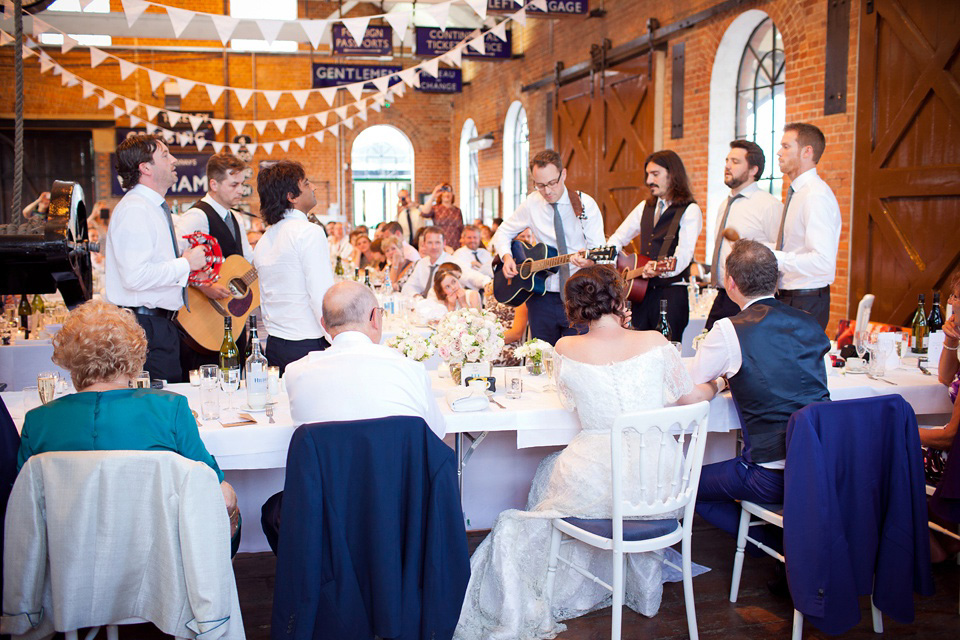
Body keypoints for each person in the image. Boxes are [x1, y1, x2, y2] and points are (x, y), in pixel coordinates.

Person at [455, 266, 719, 639]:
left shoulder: (566, 348)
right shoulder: (657, 343)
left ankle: (587, 570)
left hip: (600, 473)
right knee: (558, 470)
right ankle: (634, 579)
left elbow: (570, 401)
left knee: (549, 471)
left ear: (574, 307)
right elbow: (690, 397)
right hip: (660, 483)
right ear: (620, 299)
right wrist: (718, 383)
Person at [16, 300, 240, 553]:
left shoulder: (38, 421)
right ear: (134, 356)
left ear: (69, 359)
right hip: (155, 555)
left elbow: (23, 506)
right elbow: (218, 494)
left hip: (67, 556)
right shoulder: (170, 408)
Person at [689, 240, 831, 556]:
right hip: (825, 465)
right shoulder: (809, 321)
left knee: (687, 485)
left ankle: (779, 547)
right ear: (776, 282)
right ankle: (790, 544)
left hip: (771, 476)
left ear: (730, 283)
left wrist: (723, 380)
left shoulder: (729, 330)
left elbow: (693, 381)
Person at [104, 134, 208, 383]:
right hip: (145, 327)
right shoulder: (135, 209)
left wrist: (185, 266)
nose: (174, 160)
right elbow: (135, 277)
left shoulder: (151, 207)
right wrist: (185, 263)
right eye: (165, 155)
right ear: (145, 168)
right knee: (154, 405)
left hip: (158, 325)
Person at [284, 281, 446, 438]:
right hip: (395, 465)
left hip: (329, 466)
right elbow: (436, 431)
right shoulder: (410, 369)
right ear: (375, 317)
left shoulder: (295, 373)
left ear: (323, 325)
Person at [491, 149, 605, 345]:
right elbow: (503, 232)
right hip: (540, 296)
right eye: (540, 185)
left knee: (576, 357)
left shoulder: (585, 204)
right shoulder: (531, 203)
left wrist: (588, 261)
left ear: (564, 174)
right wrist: (507, 257)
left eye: (552, 183)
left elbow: (600, 252)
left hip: (578, 295)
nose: (548, 191)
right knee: (541, 357)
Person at [607, 150, 702, 340]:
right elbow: (618, 238)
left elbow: (683, 255)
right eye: (648, 174)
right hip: (641, 295)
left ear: (672, 174)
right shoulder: (645, 207)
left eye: (655, 174)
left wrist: (661, 270)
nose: (649, 180)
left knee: (667, 352)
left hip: (671, 294)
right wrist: (610, 264)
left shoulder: (690, 210)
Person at [175, 153, 254, 377]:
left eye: (243, 184)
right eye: (234, 184)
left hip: (232, 316)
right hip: (203, 322)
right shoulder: (196, 216)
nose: (241, 190)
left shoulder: (236, 218)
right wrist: (203, 286)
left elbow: (247, 261)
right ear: (214, 184)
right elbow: (175, 259)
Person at [252, 160, 334, 375]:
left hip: (275, 343)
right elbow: (320, 295)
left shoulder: (265, 238)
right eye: (306, 183)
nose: (313, 187)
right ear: (291, 195)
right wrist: (335, 338)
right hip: (308, 344)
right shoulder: (308, 232)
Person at [769, 122, 841, 329]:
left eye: (786, 146)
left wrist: (775, 258)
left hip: (805, 301)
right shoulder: (798, 193)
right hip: (788, 297)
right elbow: (795, 246)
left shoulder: (815, 195)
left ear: (806, 152)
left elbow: (823, 261)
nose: (779, 153)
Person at [705, 140, 782, 330]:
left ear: (753, 170)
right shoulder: (725, 204)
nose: (727, 166)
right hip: (723, 294)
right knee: (705, 343)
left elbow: (779, 253)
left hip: (751, 299)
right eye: (727, 160)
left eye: (735, 162)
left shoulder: (768, 205)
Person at [402, 227, 489, 297]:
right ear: (423, 244)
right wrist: (416, 296)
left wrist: (486, 282)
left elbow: (470, 275)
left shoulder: (452, 261)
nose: (434, 247)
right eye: (430, 243)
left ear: (444, 243)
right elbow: (408, 287)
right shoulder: (422, 263)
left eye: (437, 243)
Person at [483, 282, 528, 367]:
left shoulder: (521, 297)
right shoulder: (492, 291)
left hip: (507, 343)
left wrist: (491, 340)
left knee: (483, 357)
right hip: (487, 339)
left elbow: (517, 333)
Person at [420, 183, 464, 250]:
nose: (447, 194)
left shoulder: (457, 210)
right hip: (440, 244)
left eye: (449, 191)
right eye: (444, 191)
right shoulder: (435, 208)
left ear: (452, 194)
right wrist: (433, 195)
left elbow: (461, 228)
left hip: (456, 245)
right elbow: (424, 213)